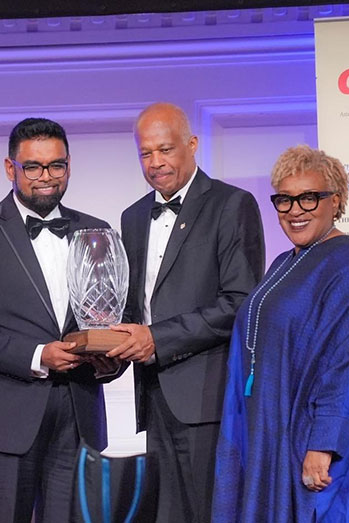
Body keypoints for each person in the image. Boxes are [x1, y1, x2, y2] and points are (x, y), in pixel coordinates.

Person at [213, 144, 349, 522]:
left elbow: (347, 363)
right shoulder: (285, 262)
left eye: (309, 198)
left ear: (336, 201)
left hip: (311, 443)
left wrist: (324, 444)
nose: (295, 210)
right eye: (285, 200)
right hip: (271, 431)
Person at [0, 118, 121, 522]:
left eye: (56, 165)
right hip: (2, 418)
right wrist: (39, 355)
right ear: (11, 169)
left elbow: (113, 316)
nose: (46, 177)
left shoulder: (96, 230)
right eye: (33, 167)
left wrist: (112, 360)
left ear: (69, 166)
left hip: (78, 414)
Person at [107, 102, 265, 522]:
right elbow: (134, 304)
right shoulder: (133, 217)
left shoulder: (232, 205)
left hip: (208, 399)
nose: (156, 163)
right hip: (155, 397)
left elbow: (240, 303)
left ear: (192, 145)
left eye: (166, 149)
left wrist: (158, 339)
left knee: (211, 512)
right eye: (146, 153)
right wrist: (103, 339)